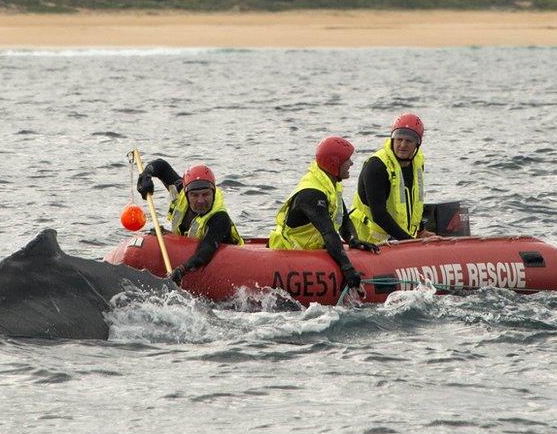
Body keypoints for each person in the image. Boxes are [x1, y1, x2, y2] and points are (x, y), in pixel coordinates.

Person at [268, 136, 379, 296]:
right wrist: (347, 268)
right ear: (335, 164)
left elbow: (343, 217)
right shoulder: (311, 193)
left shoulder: (330, 182)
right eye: (347, 160)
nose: (351, 164)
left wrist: (353, 239)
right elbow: (328, 233)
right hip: (290, 254)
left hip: (311, 251)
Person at [137, 159, 243, 284]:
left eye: (206, 194)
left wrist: (183, 270)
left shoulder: (219, 218)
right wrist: (146, 175)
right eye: (195, 195)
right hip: (193, 252)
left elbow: (206, 249)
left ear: (213, 193)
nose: (200, 201)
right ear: (186, 194)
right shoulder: (181, 191)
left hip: (227, 260)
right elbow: (162, 166)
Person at [350, 113, 436, 243]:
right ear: (392, 139)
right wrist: (410, 242)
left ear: (417, 144)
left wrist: (420, 232)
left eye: (408, 141)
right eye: (399, 139)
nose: (402, 145)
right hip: (368, 240)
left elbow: (414, 204)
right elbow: (379, 215)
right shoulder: (376, 166)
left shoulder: (417, 163)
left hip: (398, 240)